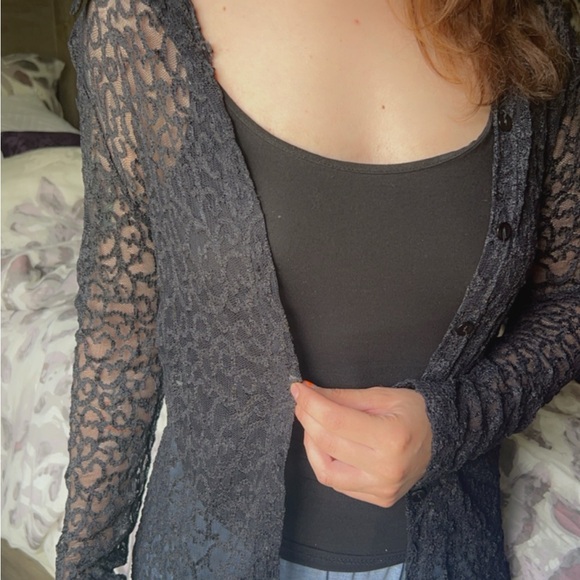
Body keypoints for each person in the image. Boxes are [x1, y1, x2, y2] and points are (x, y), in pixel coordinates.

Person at [56, 0, 579, 578]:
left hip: (449, 553)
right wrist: (86, 566)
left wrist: (458, 419)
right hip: (206, 551)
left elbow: (568, 298)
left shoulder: (528, 22)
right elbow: (121, 325)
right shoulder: (141, 24)